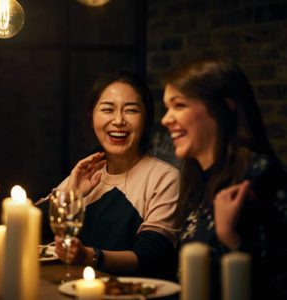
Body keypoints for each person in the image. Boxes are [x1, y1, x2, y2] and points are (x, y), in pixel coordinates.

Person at [161, 57, 287, 299]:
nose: (166, 119)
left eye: (179, 106)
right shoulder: (194, 177)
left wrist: (230, 237)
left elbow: (277, 279)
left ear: (223, 107)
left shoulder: (259, 175)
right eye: (167, 108)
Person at [38, 71, 180, 279]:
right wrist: (70, 193)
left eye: (131, 110)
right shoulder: (87, 172)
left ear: (146, 118)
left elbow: (151, 257)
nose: (119, 121)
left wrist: (90, 256)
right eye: (107, 109)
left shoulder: (164, 179)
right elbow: (28, 230)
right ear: (91, 116)